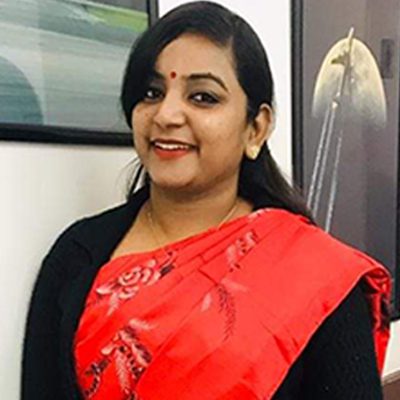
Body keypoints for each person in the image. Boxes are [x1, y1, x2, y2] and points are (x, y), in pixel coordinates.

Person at [22, 2, 391, 399]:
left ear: (256, 128)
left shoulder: (315, 277)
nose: (166, 114)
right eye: (152, 92)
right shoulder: (77, 255)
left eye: (202, 97)